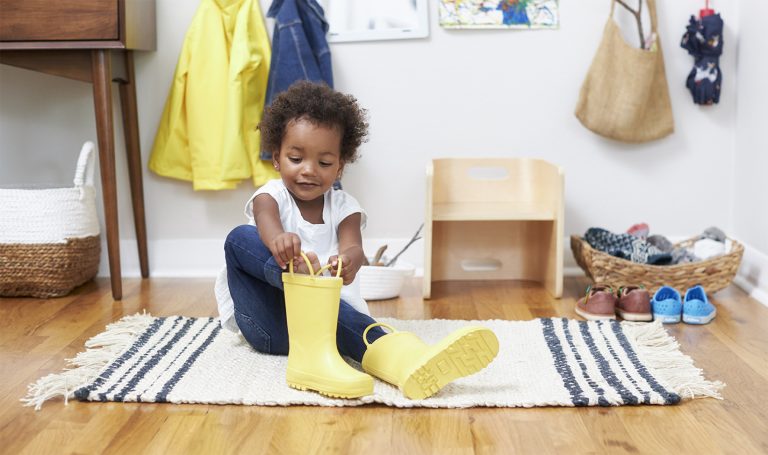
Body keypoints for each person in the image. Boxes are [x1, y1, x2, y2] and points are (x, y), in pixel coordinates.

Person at [216, 81, 498, 400]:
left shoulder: (345, 207)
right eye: (296, 159)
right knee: (239, 239)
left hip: (326, 326)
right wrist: (280, 242)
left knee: (351, 322)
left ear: (339, 167)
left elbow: (353, 248)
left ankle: (408, 363)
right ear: (277, 159)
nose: (309, 170)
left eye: (323, 163)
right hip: (271, 326)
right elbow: (266, 223)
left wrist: (348, 261)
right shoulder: (270, 198)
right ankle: (299, 287)